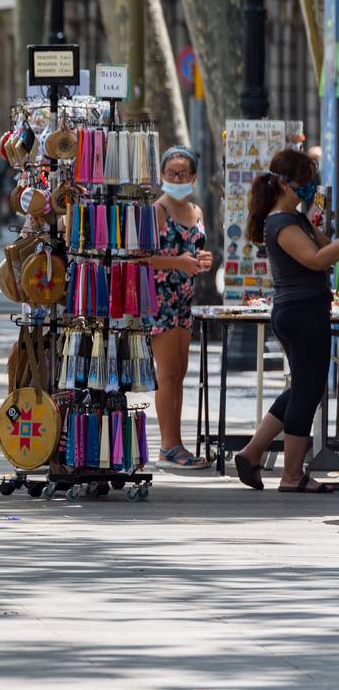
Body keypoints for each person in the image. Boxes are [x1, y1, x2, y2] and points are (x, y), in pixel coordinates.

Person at [234, 149, 339, 493]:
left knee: (301, 389)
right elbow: (315, 259)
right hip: (301, 312)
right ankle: (292, 475)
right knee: (308, 392)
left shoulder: (295, 218)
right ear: (283, 183)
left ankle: (251, 454)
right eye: (304, 182)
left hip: (303, 310)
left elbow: (325, 251)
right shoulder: (280, 223)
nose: (308, 188)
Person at [148, 148, 212, 468]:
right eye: (171, 173)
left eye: (182, 174)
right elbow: (140, 257)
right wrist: (178, 262)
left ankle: (176, 443)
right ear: (161, 175)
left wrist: (202, 261)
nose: (176, 179)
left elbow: (196, 252)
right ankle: (169, 445)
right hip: (161, 297)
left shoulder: (196, 211)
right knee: (168, 373)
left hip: (185, 298)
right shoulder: (157, 210)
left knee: (180, 373)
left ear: (193, 177)